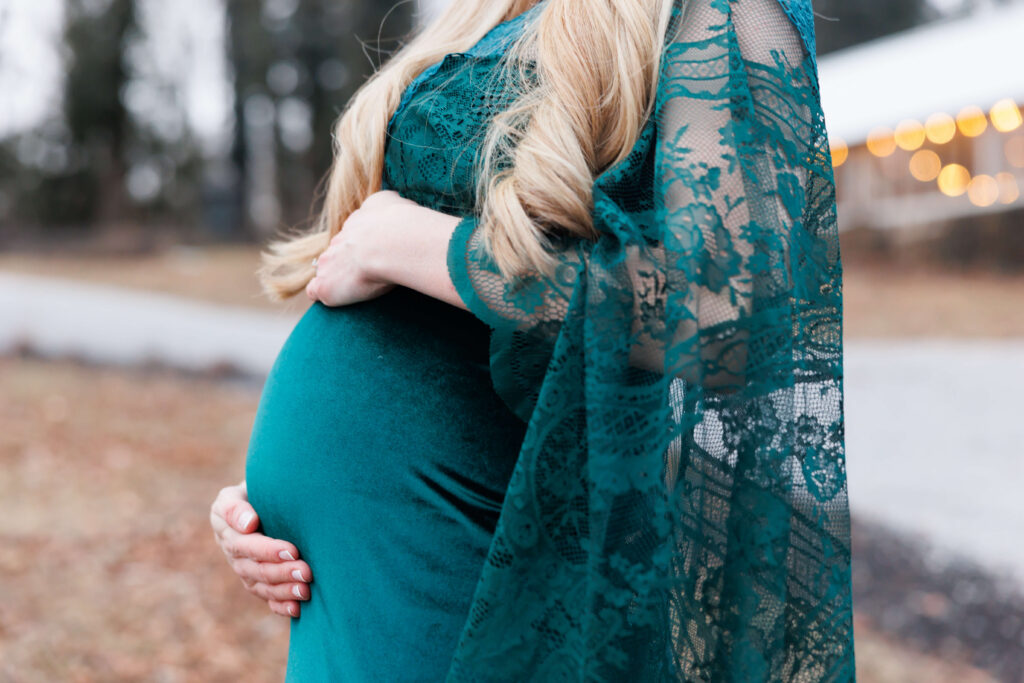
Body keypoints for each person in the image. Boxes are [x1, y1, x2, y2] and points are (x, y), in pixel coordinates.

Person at [209, 0, 856, 680]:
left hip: (489, 574)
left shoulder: (726, 10)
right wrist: (265, 505)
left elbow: (729, 320)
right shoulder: (496, 9)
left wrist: (429, 248)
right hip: (351, 579)